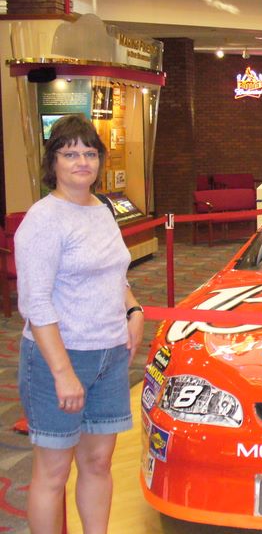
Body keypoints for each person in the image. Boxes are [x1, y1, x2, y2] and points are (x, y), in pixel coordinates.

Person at [14, 114, 144, 534]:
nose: (82, 162)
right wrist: (62, 372)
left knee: (98, 462)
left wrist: (133, 309)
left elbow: (115, 273)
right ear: (53, 162)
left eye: (89, 153)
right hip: (60, 357)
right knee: (52, 472)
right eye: (70, 154)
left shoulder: (102, 208)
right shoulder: (44, 219)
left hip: (108, 355)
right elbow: (36, 303)